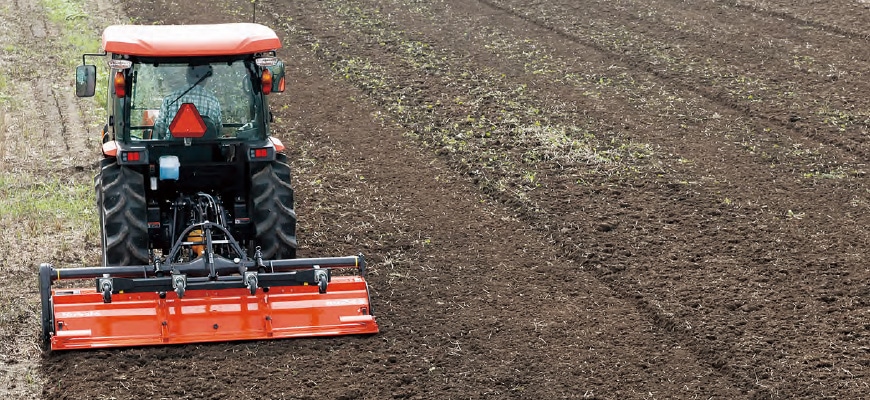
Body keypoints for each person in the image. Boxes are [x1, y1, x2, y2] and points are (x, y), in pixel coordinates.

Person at [152, 65, 222, 138]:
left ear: (187, 76)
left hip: (172, 148)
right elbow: (217, 130)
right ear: (205, 79)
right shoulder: (213, 101)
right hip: (206, 148)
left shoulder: (169, 100)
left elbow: (160, 128)